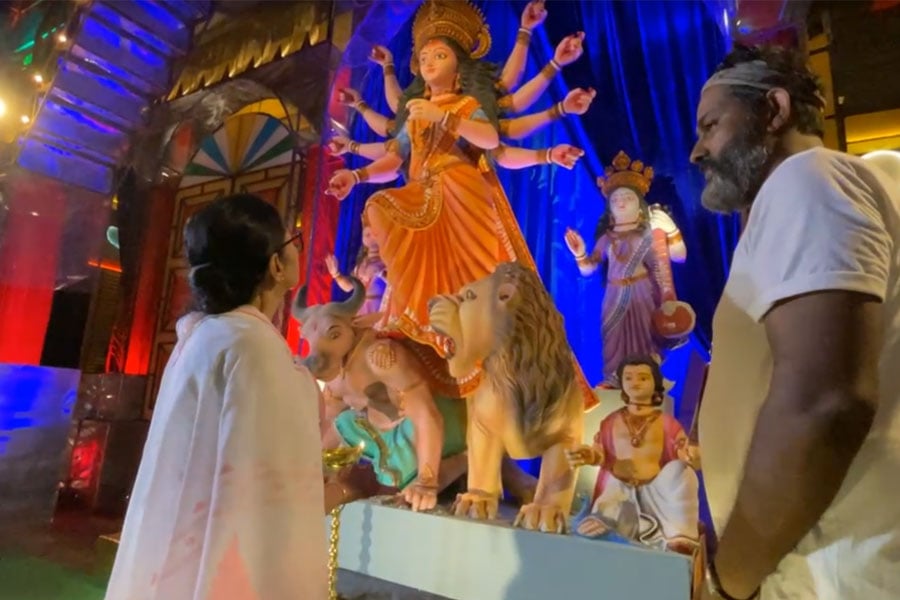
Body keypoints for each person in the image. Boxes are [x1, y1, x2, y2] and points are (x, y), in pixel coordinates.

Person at [691, 45, 900, 600]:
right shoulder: (841, 184)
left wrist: (730, 578)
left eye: (711, 126)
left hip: (831, 573)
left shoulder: (807, 177)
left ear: (774, 110)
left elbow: (825, 402)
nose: (697, 150)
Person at [105, 194, 366, 600]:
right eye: (293, 241)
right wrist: (350, 487)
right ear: (276, 266)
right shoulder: (253, 348)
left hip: (183, 555)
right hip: (228, 568)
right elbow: (264, 495)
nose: (299, 248)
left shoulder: (204, 336)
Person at [564, 151, 691, 386]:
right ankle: (616, 380)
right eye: (616, 199)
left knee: (645, 340)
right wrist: (580, 254)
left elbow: (679, 257)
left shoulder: (652, 231)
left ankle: (648, 379)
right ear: (609, 208)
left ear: (640, 204)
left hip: (643, 294)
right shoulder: (607, 237)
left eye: (628, 198)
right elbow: (589, 269)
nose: (621, 202)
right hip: (614, 296)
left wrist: (672, 231)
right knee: (614, 341)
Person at [566, 355, 700, 553]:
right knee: (610, 501)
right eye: (628, 378)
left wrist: (692, 456)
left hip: (655, 493)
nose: (635, 383)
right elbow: (600, 454)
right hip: (619, 490)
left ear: (655, 383)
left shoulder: (667, 423)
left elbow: (683, 452)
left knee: (681, 472)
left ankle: (679, 534)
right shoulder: (610, 421)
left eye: (643, 378)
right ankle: (605, 520)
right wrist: (590, 456)